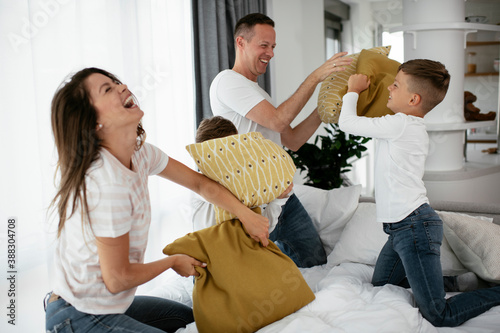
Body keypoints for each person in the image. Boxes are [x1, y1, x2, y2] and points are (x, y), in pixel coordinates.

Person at [45, 68, 270, 333]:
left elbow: (199, 183)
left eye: (117, 81)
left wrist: (247, 215)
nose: (122, 86)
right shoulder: (106, 183)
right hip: (78, 316)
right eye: (108, 89)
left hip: (110, 304)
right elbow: (117, 279)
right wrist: (172, 262)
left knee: (189, 319)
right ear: (93, 123)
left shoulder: (141, 154)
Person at [338, 59, 500, 327]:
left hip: (414, 228)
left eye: (396, 84)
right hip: (402, 228)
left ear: (413, 99)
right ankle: (457, 283)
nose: (389, 87)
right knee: (382, 284)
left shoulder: (400, 124)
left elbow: (347, 123)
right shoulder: (405, 125)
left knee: (439, 314)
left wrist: (353, 89)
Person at [209, 13, 352, 267]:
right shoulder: (227, 82)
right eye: (264, 45)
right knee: (261, 266)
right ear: (241, 43)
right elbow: (278, 120)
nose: (270, 53)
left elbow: (293, 139)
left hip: (282, 195)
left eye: (273, 47)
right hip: (254, 199)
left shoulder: (258, 93)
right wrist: (315, 76)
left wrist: (324, 108)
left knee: (314, 261)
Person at [196, 115, 293, 237]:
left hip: (248, 249)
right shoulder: (197, 185)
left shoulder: (247, 182)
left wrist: (278, 200)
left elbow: (262, 230)